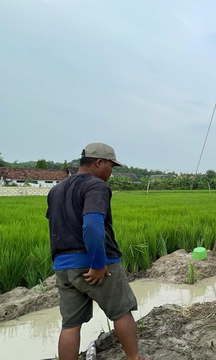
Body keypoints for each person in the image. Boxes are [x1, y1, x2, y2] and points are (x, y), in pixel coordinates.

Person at [46, 142, 148, 360]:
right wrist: (98, 263)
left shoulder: (56, 189)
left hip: (64, 267)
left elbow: (57, 226)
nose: (112, 171)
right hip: (94, 263)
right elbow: (92, 225)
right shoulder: (96, 186)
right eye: (111, 166)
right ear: (99, 163)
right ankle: (134, 358)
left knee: (70, 324)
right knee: (121, 311)